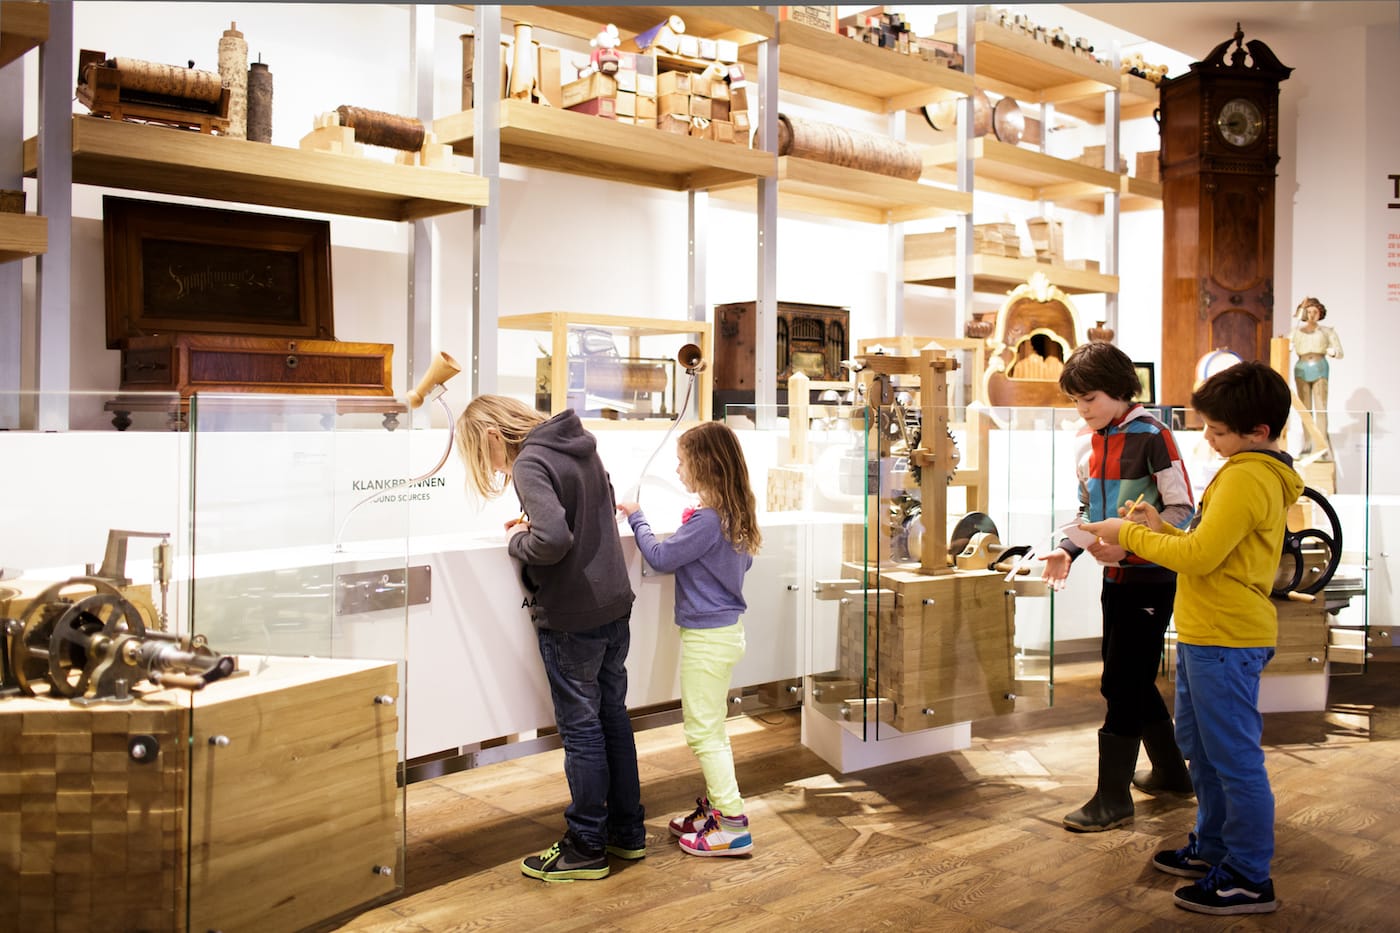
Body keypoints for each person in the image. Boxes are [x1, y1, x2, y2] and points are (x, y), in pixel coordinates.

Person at [1081, 360, 1301, 916]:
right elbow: (1209, 549)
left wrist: (1127, 532)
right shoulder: (1244, 470)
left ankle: (1250, 876)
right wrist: (1163, 530)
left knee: (1233, 758)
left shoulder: (1249, 475)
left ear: (1259, 431)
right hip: (1209, 632)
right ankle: (1216, 846)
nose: (1207, 436)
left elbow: (1200, 557)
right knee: (1202, 751)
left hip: (1227, 636)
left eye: (1219, 430)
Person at [454, 395, 645, 882]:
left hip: (573, 614)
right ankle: (627, 833)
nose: (493, 466)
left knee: (582, 731)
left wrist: (517, 538)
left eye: (485, 454)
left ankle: (584, 847)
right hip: (614, 605)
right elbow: (591, 512)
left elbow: (554, 540)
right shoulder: (580, 446)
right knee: (613, 721)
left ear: (495, 436)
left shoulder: (532, 460)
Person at [1041, 341, 1195, 833]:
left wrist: (1129, 548)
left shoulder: (1155, 436)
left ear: (1121, 390)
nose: (1083, 410)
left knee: (1121, 682)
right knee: (1128, 676)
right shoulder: (1087, 446)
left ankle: (1113, 799)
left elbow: (1181, 511)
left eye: (1090, 399)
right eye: (1076, 401)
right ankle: (1172, 773)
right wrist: (1066, 551)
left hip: (1151, 577)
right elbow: (1088, 516)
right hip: (1117, 578)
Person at [616, 421, 760, 858]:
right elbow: (740, 567)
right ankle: (718, 809)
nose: (678, 471)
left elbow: (660, 558)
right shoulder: (733, 515)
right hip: (726, 634)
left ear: (704, 465)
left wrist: (636, 516)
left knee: (703, 734)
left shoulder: (706, 520)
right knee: (712, 728)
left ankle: (732, 824)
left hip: (706, 639)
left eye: (682, 463)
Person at [1290, 297, 1343, 458]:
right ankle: (1307, 443)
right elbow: (1286, 345)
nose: (1312, 315)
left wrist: (1332, 352)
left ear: (1320, 313)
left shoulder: (1327, 332)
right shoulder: (1296, 332)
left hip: (1319, 366)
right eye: (1309, 311)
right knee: (1305, 408)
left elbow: (1339, 351)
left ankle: (1322, 445)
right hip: (1302, 367)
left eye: (1315, 311)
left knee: (1320, 407)